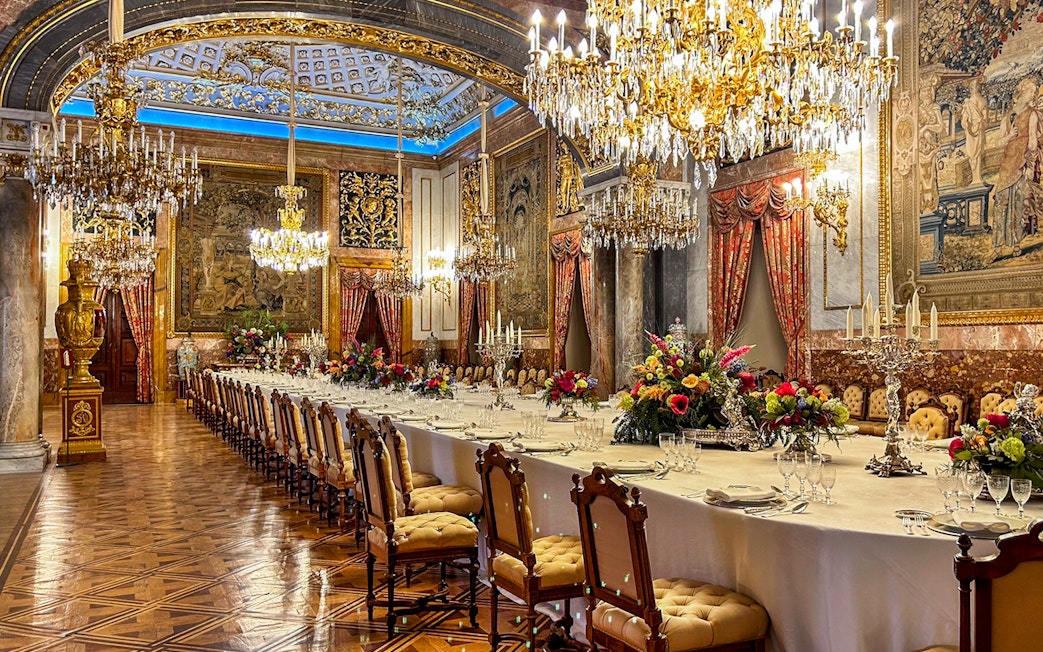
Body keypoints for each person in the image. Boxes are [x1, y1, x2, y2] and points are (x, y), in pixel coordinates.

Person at [990, 77, 1043, 261]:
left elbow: (1033, 143)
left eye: (1034, 91)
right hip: (1007, 164)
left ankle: (1016, 244)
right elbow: (998, 142)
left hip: (1021, 163)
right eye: (1031, 90)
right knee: (1001, 204)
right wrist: (1009, 136)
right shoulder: (1008, 116)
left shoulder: (1033, 114)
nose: (1033, 94)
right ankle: (997, 247)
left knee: (1018, 203)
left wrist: (1030, 165)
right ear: (1021, 91)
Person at [962, 77, 987, 185]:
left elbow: (986, 119)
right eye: (972, 86)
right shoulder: (968, 103)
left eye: (975, 85)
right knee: (972, 154)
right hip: (971, 132)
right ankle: (975, 178)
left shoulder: (982, 101)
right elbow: (964, 120)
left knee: (978, 153)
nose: (974, 88)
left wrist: (980, 123)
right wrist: (968, 125)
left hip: (978, 129)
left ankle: (977, 178)